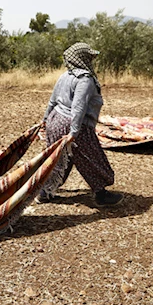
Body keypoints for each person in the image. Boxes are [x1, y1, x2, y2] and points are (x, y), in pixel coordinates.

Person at [40, 42, 124, 207]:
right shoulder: (85, 79)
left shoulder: (65, 76)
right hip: (72, 124)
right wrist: (74, 132)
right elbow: (78, 107)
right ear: (83, 59)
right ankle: (101, 194)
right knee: (92, 157)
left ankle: (45, 192)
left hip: (55, 120)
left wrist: (45, 121)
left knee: (62, 159)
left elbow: (52, 100)